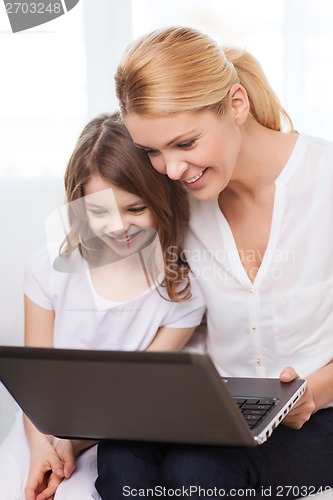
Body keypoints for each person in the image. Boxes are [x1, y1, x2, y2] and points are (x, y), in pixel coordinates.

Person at [95, 27, 333, 499]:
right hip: (212, 410)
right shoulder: (179, 203)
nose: (172, 169)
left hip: (318, 415)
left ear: (237, 105)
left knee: (196, 470)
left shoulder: (324, 183)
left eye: (185, 143)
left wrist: (314, 391)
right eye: (152, 152)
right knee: (121, 453)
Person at [0, 113, 206, 500]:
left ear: (163, 201)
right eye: (99, 212)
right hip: (39, 428)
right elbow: (35, 386)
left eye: (135, 209)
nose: (118, 227)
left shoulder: (181, 294)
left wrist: (72, 446)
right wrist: (43, 446)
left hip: (109, 434)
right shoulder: (48, 270)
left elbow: (131, 399)